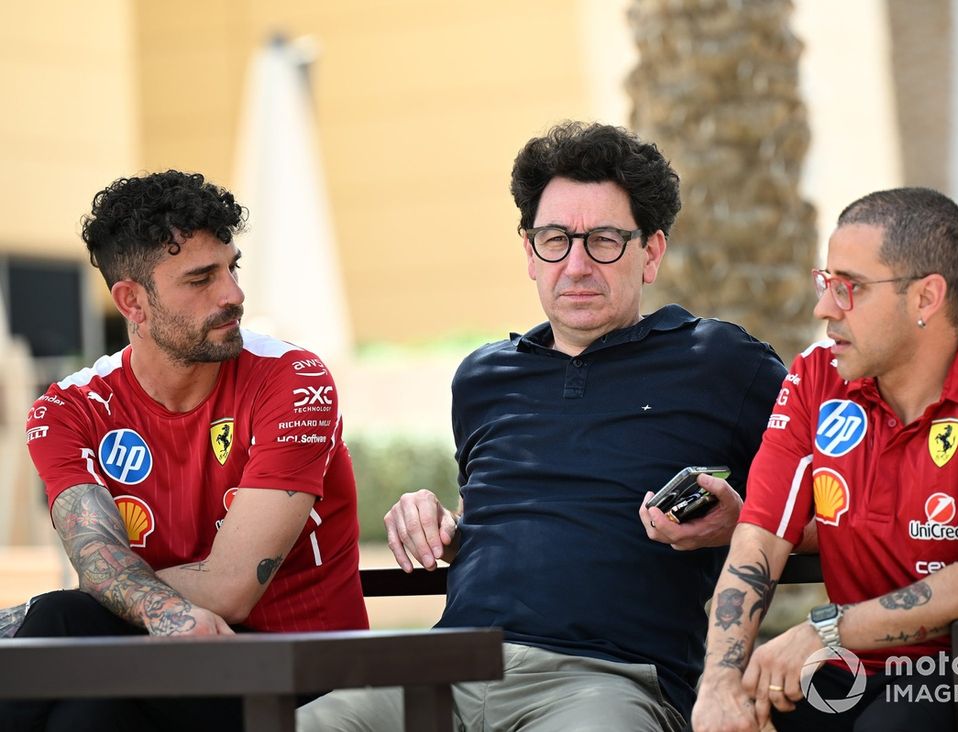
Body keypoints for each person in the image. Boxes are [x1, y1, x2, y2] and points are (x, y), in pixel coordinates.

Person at [298, 122, 787, 731]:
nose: (576, 265)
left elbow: (840, 502)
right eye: (555, 239)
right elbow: (520, 517)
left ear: (652, 252)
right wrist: (445, 528)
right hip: (445, 667)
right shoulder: (482, 377)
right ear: (530, 252)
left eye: (605, 240)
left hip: (606, 682)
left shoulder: (722, 363)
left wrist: (737, 524)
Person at [692, 187, 958, 732]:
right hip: (857, 668)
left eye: (850, 288)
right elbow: (759, 539)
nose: (825, 307)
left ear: (925, 298)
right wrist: (720, 686)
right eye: (826, 283)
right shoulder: (815, 378)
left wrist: (823, 630)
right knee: (740, 710)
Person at [0, 170, 368, 732]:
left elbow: (229, 590)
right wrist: (127, 598)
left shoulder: (294, 380)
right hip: (152, 663)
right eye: (201, 279)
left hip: (301, 672)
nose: (234, 295)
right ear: (132, 301)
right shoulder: (66, 411)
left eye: (232, 268)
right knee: (88, 710)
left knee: (63, 624)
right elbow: (95, 557)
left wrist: (69, 607)